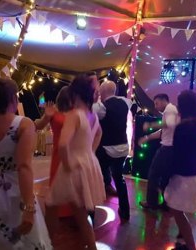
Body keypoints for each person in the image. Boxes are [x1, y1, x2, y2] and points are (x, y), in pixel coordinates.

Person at [0, 78, 52, 249]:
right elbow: (24, 167)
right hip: (15, 195)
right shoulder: (22, 124)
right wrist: (29, 208)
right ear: (12, 99)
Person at [47, 74, 105, 250]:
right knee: (80, 214)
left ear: (74, 93)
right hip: (88, 163)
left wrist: (66, 165)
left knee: (50, 205)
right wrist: (90, 153)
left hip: (73, 166)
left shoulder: (74, 115)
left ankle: (47, 244)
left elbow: (63, 144)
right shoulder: (92, 115)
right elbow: (99, 134)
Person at [164, 90, 196, 250]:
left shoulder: (184, 127)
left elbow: (177, 154)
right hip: (195, 173)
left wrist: (168, 174)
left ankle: (190, 245)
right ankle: (182, 240)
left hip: (183, 175)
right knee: (180, 207)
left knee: (176, 208)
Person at [34, 86, 73, 238]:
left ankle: (71, 211)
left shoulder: (76, 113)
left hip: (72, 153)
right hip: (58, 155)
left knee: (71, 182)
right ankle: (59, 214)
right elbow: (38, 126)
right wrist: (46, 116)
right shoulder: (54, 111)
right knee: (58, 183)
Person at [96, 80, 131, 223]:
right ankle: (125, 211)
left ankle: (92, 207)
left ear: (102, 93)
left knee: (96, 170)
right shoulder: (125, 102)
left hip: (107, 148)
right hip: (123, 148)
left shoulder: (101, 107)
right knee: (120, 179)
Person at [138, 93, 179, 210]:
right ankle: (167, 204)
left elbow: (169, 124)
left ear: (163, 101)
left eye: (156, 103)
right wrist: (148, 137)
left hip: (166, 148)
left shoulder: (169, 109)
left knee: (153, 174)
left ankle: (152, 202)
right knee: (165, 178)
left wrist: (151, 125)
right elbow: (164, 131)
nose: (155, 106)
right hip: (170, 148)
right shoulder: (171, 110)